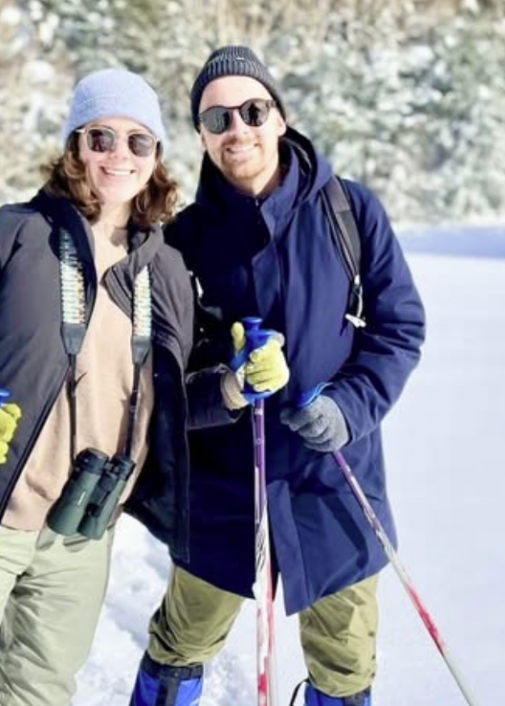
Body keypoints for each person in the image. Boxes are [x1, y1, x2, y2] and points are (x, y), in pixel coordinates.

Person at [0, 69, 196, 706]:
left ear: (156, 157)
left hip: (82, 533)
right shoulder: (10, 234)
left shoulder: (164, 269)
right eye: (101, 136)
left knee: (41, 695)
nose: (120, 154)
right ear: (75, 144)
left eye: (139, 141)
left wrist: (239, 387)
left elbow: (180, 391)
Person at [127, 46, 426, 706]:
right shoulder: (183, 242)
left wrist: (349, 407)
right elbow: (159, 381)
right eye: (217, 118)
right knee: (182, 642)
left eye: (253, 111)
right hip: (224, 488)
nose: (238, 129)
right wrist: (226, 386)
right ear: (202, 136)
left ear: (280, 118)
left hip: (334, 480)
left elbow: (399, 327)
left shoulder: (348, 211)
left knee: (345, 664)